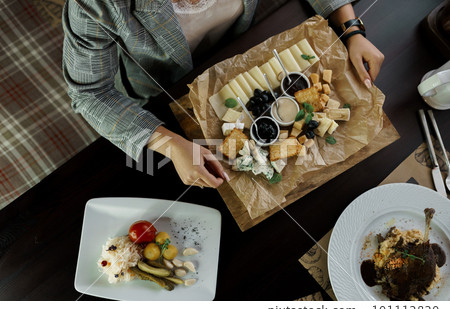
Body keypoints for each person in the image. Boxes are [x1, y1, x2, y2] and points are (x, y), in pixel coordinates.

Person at [62, 0, 384, 189]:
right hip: (162, 90)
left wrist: (350, 26)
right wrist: (169, 143)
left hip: (244, 46)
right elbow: (90, 92)